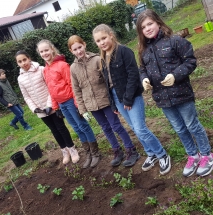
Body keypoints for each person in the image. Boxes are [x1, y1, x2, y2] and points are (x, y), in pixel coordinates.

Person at [137, 9, 213, 177]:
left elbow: (190, 61)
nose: (148, 28)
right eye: (143, 27)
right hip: (162, 98)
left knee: (192, 124)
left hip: (182, 94)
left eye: (150, 24)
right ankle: (193, 155)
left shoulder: (175, 41)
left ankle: (206, 155)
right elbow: (142, 69)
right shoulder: (143, 51)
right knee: (179, 128)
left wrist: (175, 75)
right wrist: (144, 79)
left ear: (158, 22)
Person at [92, 24, 171, 175]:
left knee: (140, 128)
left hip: (131, 95)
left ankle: (162, 154)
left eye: (103, 38)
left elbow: (133, 75)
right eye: (98, 41)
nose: (102, 42)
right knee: (134, 128)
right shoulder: (103, 58)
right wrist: (113, 104)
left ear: (111, 35)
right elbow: (108, 84)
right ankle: (151, 153)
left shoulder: (124, 51)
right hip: (116, 96)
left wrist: (128, 99)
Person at [68, 35, 140, 168]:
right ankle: (117, 151)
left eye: (80, 47)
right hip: (92, 105)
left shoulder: (97, 60)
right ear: (71, 51)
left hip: (106, 100)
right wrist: (82, 110)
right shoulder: (73, 68)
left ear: (84, 45)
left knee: (116, 125)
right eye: (75, 49)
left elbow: (108, 81)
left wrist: (113, 99)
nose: (79, 51)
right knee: (105, 128)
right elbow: (76, 89)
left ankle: (131, 150)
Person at [36, 39, 100, 168]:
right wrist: (55, 106)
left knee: (83, 125)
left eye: (46, 50)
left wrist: (77, 104)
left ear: (52, 49)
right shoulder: (45, 70)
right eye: (42, 51)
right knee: (76, 128)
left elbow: (72, 85)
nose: (45, 53)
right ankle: (88, 153)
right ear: (39, 53)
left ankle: (95, 153)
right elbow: (51, 89)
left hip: (71, 101)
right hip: (61, 104)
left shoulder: (62, 65)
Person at [15, 50, 79, 165]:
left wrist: (49, 105)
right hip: (40, 110)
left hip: (51, 105)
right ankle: (64, 150)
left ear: (29, 58)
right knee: (53, 130)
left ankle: (72, 148)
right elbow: (26, 97)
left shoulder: (41, 70)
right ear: (17, 64)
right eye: (20, 61)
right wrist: (34, 108)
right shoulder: (20, 79)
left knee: (61, 127)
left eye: (24, 59)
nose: (23, 63)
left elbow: (51, 87)